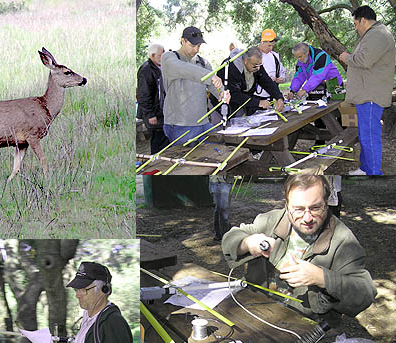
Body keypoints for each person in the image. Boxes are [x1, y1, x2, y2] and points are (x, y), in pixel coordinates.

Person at [221, 173, 377, 320]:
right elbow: (231, 237)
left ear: (327, 203)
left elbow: (364, 293)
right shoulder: (272, 220)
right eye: (299, 209)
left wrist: (320, 277)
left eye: (316, 208)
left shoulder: (343, 241)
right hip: (256, 309)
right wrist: (247, 243)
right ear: (287, 205)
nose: (307, 218)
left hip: (305, 325)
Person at [339, 5, 396, 176]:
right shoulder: (374, 34)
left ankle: (373, 174)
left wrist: (345, 57)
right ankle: (365, 168)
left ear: (363, 20)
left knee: (369, 136)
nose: (356, 28)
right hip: (366, 94)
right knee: (365, 134)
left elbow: (363, 60)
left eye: (356, 24)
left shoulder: (378, 34)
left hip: (371, 95)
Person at [159, 26, 230, 143]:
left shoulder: (203, 62)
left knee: (219, 148)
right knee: (186, 159)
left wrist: (221, 93)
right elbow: (184, 69)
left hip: (204, 123)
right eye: (193, 45)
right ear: (183, 41)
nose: (196, 50)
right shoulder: (169, 58)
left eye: (199, 46)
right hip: (180, 125)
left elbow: (213, 86)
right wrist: (210, 76)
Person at [216, 47, 284, 116]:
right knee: (225, 125)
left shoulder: (256, 64)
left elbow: (267, 82)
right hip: (222, 105)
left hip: (242, 104)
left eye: (260, 65)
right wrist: (258, 102)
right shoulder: (230, 67)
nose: (258, 68)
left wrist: (279, 97)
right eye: (255, 65)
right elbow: (233, 93)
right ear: (245, 60)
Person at [137, 43, 168, 154]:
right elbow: (143, 94)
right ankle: (156, 165)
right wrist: (150, 114)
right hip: (153, 113)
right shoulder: (146, 70)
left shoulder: (159, 67)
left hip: (160, 110)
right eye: (160, 55)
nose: (162, 58)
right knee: (158, 140)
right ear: (153, 55)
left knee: (164, 139)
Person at [253, 29, 286, 100]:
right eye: (269, 46)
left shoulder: (275, 56)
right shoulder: (252, 55)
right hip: (256, 96)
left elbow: (282, 71)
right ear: (262, 42)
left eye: (272, 46)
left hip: (272, 96)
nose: (271, 48)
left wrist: (281, 78)